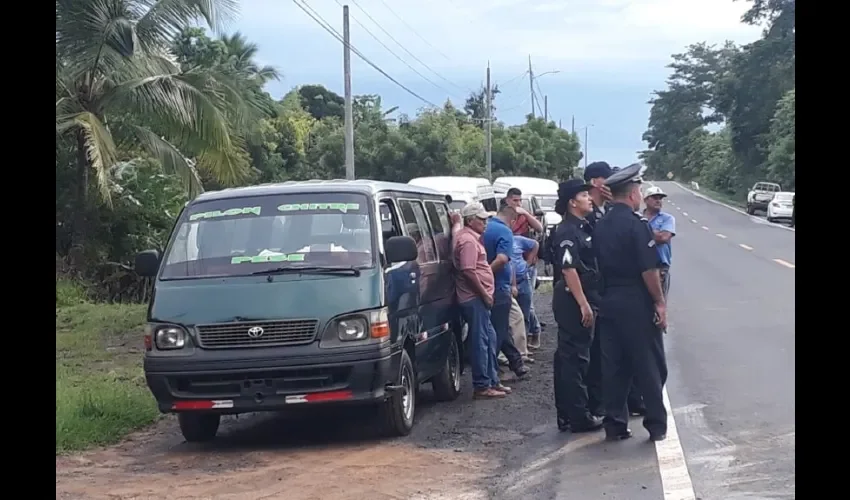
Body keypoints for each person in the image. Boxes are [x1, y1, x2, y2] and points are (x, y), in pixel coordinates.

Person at [593, 163, 669, 441]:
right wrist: (659, 303)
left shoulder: (601, 225)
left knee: (614, 366)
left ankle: (614, 424)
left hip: (608, 299)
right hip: (635, 300)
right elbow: (648, 270)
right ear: (633, 194)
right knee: (648, 364)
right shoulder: (638, 226)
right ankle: (656, 424)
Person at [550, 179, 605, 433]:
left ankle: (576, 412)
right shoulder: (567, 231)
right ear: (573, 202)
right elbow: (568, 269)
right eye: (584, 195)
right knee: (575, 359)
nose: (589, 199)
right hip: (573, 298)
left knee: (580, 356)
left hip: (585, 294)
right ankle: (577, 417)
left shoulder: (584, 226)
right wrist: (583, 304)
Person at [451, 203, 511, 399]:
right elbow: (468, 270)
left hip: (476, 297)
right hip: (474, 298)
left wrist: (456, 224)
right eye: (481, 219)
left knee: (489, 338)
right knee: (481, 341)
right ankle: (482, 385)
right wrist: (484, 294)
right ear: (471, 220)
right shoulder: (468, 241)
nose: (485, 222)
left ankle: (491, 380)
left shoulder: (465, 236)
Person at [482, 199, 530, 380]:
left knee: (499, 327)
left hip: (486, 287)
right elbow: (503, 259)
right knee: (499, 330)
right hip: (497, 286)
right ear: (513, 220)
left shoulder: (486, 228)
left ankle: (516, 362)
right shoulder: (505, 232)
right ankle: (491, 373)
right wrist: (486, 274)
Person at [504, 187, 545, 349]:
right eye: (515, 200)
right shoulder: (504, 215)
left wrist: (526, 213)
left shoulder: (523, 215)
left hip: (524, 263)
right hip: (511, 262)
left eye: (520, 200)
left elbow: (539, 229)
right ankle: (526, 336)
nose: (518, 203)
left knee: (528, 303)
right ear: (507, 200)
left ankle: (532, 334)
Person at [643, 186, 676, 299]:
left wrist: (642, 233)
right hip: (641, 265)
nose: (658, 201)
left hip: (661, 265)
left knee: (659, 299)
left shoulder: (667, 218)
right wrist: (654, 233)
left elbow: (664, 237)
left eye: (660, 198)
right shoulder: (637, 217)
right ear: (646, 200)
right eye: (654, 197)